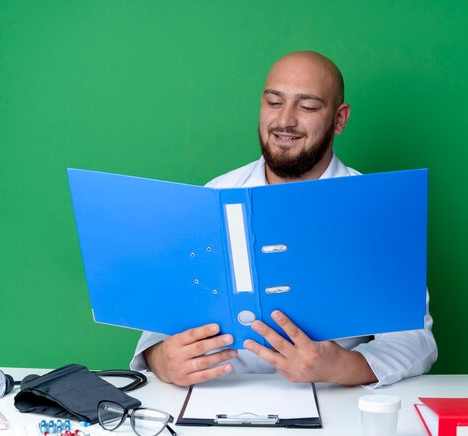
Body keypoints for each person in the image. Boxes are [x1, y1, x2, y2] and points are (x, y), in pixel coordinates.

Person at [131, 51, 437, 388]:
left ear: (339, 119)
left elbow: (416, 340)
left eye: (307, 107)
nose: (285, 121)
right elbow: (159, 325)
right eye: (274, 102)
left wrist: (343, 366)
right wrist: (161, 359)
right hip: (217, 399)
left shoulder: (377, 208)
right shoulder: (214, 195)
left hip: (333, 403)